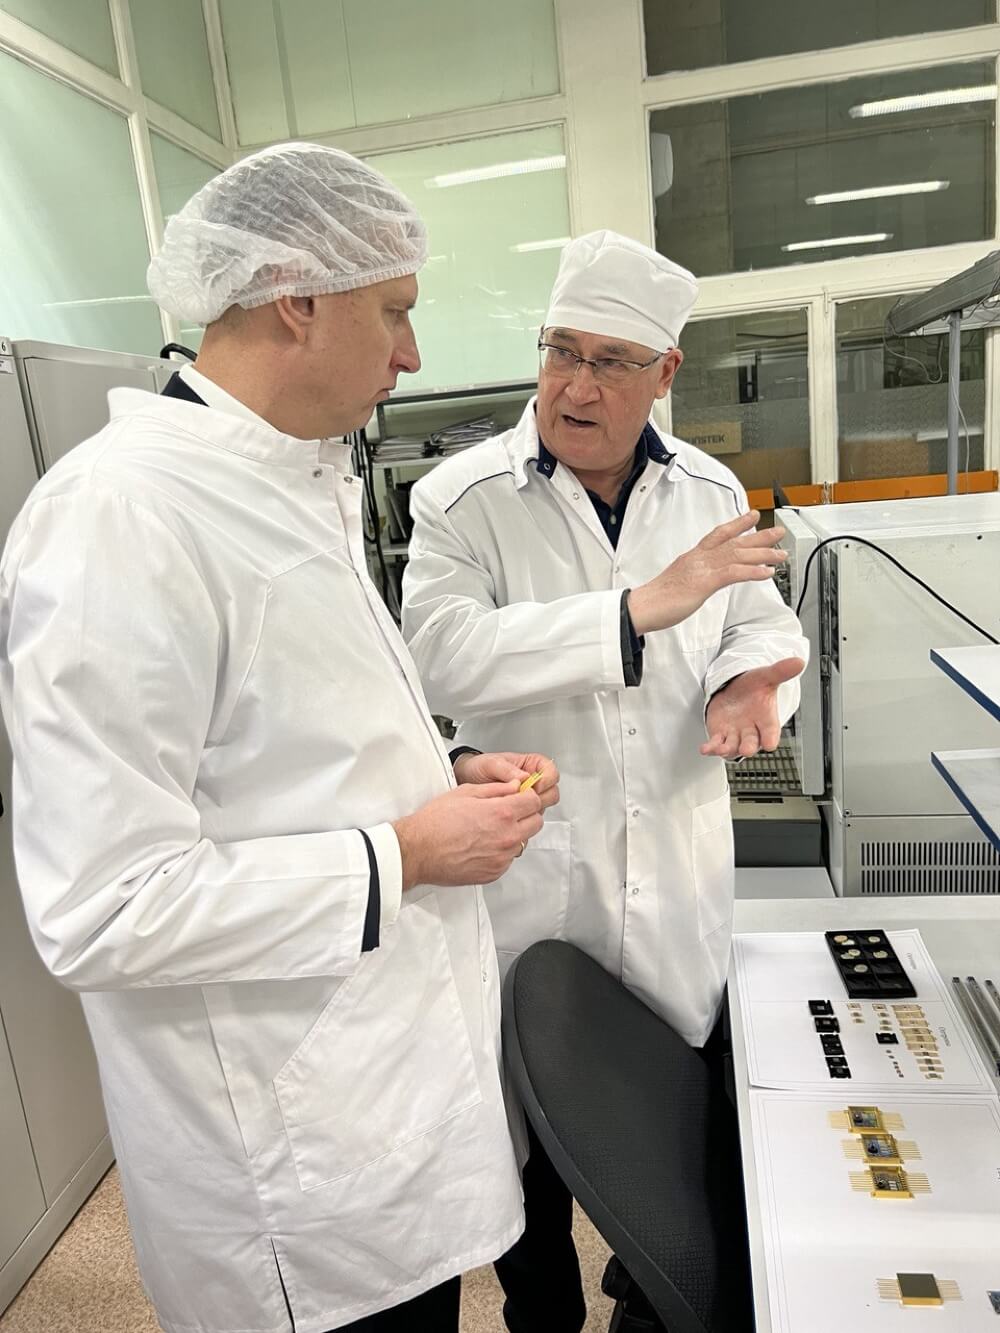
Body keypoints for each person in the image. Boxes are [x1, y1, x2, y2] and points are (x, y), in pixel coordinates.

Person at [0, 144, 562, 1333]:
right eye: (394, 311)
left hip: (378, 1111)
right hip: (290, 1173)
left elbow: (284, 750)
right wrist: (407, 852)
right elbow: (102, 905)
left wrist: (440, 774)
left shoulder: (289, 482)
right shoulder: (123, 517)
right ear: (296, 297)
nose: (412, 354)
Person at [400, 229, 809, 1333]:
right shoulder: (463, 497)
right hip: (529, 882)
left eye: (611, 362)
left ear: (664, 372)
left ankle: (645, 1293)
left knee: (666, 1137)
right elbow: (437, 656)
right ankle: (542, 1314)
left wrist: (749, 680)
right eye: (560, 352)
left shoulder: (708, 487)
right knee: (526, 1157)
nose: (575, 387)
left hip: (672, 870)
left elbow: (759, 621)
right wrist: (632, 611)